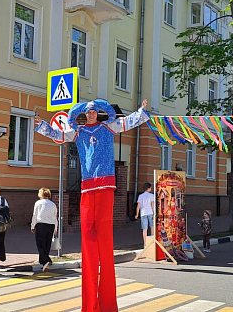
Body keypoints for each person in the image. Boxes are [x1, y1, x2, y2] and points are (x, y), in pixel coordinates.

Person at [35, 98, 150, 311]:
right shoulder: (77, 132)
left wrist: (142, 111)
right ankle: (90, 306)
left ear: (99, 113)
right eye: (88, 112)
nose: (91, 114)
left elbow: (129, 122)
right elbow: (58, 135)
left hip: (106, 188)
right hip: (88, 190)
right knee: (88, 243)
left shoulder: (109, 127)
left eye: (95, 111)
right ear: (84, 115)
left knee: (105, 244)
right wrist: (41, 125)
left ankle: (107, 305)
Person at [31, 187, 58, 272]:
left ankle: (47, 260)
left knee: (40, 244)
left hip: (41, 225)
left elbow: (35, 215)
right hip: (51, 226)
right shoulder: (53, 204)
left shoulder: (38, 203)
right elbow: (55, 217)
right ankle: (43, 263)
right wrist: (55, 228)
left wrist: (32, 226)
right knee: (47, 244)